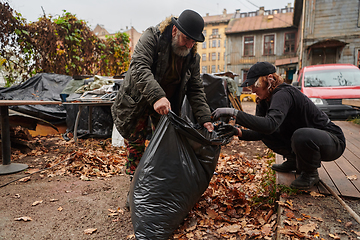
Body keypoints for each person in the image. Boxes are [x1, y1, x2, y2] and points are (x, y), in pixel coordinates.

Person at [111, 9, 214, 178]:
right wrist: (157, 96)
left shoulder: (192, 57)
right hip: (137, 100)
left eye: (193, 41)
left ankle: (155, 183)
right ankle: (136, 189)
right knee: (135, 147)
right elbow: (139, 67)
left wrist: (205, 118)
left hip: (165, 106)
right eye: (186, 39)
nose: (189, 45)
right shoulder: (152, 37)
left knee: (164, 145)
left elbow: (195, 89)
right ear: (175, 30)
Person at [212, 62, 346, 190]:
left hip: (332, 141)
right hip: (306, 140)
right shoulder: (264, 100)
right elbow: (262, 131)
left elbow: (269, 125)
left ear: (269, 79)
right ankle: (294, 160)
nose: (252, 90)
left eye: (255, 85)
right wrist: (236, 131)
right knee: (273, 132)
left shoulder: (283, 93)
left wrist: (234, 113)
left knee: (301, 135)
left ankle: (310, 173)